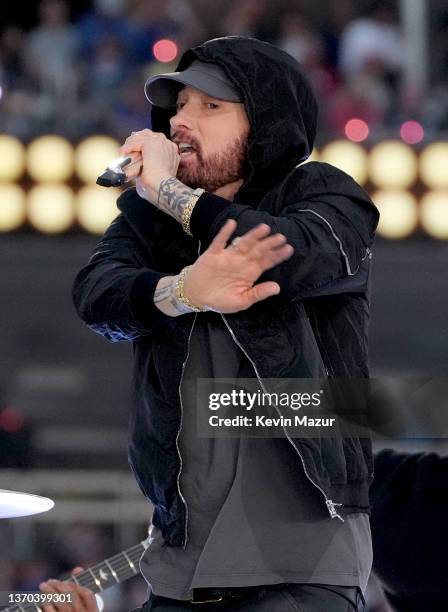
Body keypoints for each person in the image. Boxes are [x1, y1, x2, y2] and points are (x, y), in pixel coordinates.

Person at [72, 36, 379, 611]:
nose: (183, 122)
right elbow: (95, 294)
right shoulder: (147, 222)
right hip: (181, 563)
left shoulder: (320, 192)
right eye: (180, 106)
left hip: (303, 556)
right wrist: (182, 291)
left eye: (210, 107)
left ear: (263, 123)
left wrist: (169, 191)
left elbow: (285, 251)